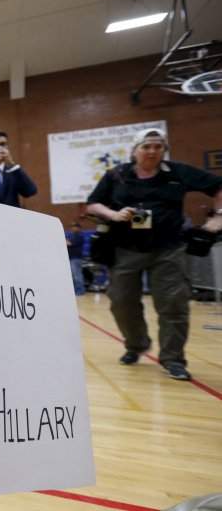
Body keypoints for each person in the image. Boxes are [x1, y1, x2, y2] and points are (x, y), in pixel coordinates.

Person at [86, 128, 222, 381]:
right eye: (146, 146)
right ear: (134, 150)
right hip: (125, 249)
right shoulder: (116, 175)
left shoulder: (179, 172)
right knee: (122, 303)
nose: (152, 151)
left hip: (168, 250)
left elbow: (218, 187)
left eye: (158, 147)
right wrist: (113, 214)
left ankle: (173, 359)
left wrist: (218, 217)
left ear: (164, 150)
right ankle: (136, 345)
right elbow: (93, 202)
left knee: (173, 305)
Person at [66, 221, 86, 296]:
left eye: (74, 227)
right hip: (72, 258)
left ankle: (80, 290)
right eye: (71, 227)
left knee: (77, 275)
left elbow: (69, 243)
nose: (72, 228)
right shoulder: (72, 236)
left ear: (78, 228)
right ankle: (76, 290)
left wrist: (66, 240)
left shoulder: (79, 235)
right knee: (74, 276)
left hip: (76, 258)